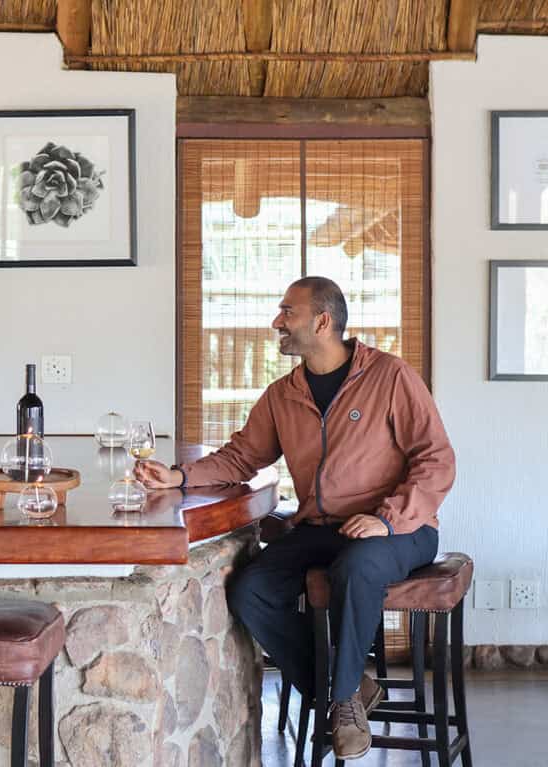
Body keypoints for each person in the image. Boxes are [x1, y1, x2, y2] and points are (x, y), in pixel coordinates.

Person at [135, 276, 455, 761]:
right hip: (323, 528)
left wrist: (387, 519)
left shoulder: (390, 377)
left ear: (322, 321)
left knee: (357, 565)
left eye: (288, 312)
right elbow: (242, 457)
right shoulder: (284, 394)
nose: (276, 322)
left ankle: (342, 704)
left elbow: (436, 460)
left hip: (402, 529)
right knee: (251, 590)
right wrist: (178, 477)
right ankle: (349, 688)